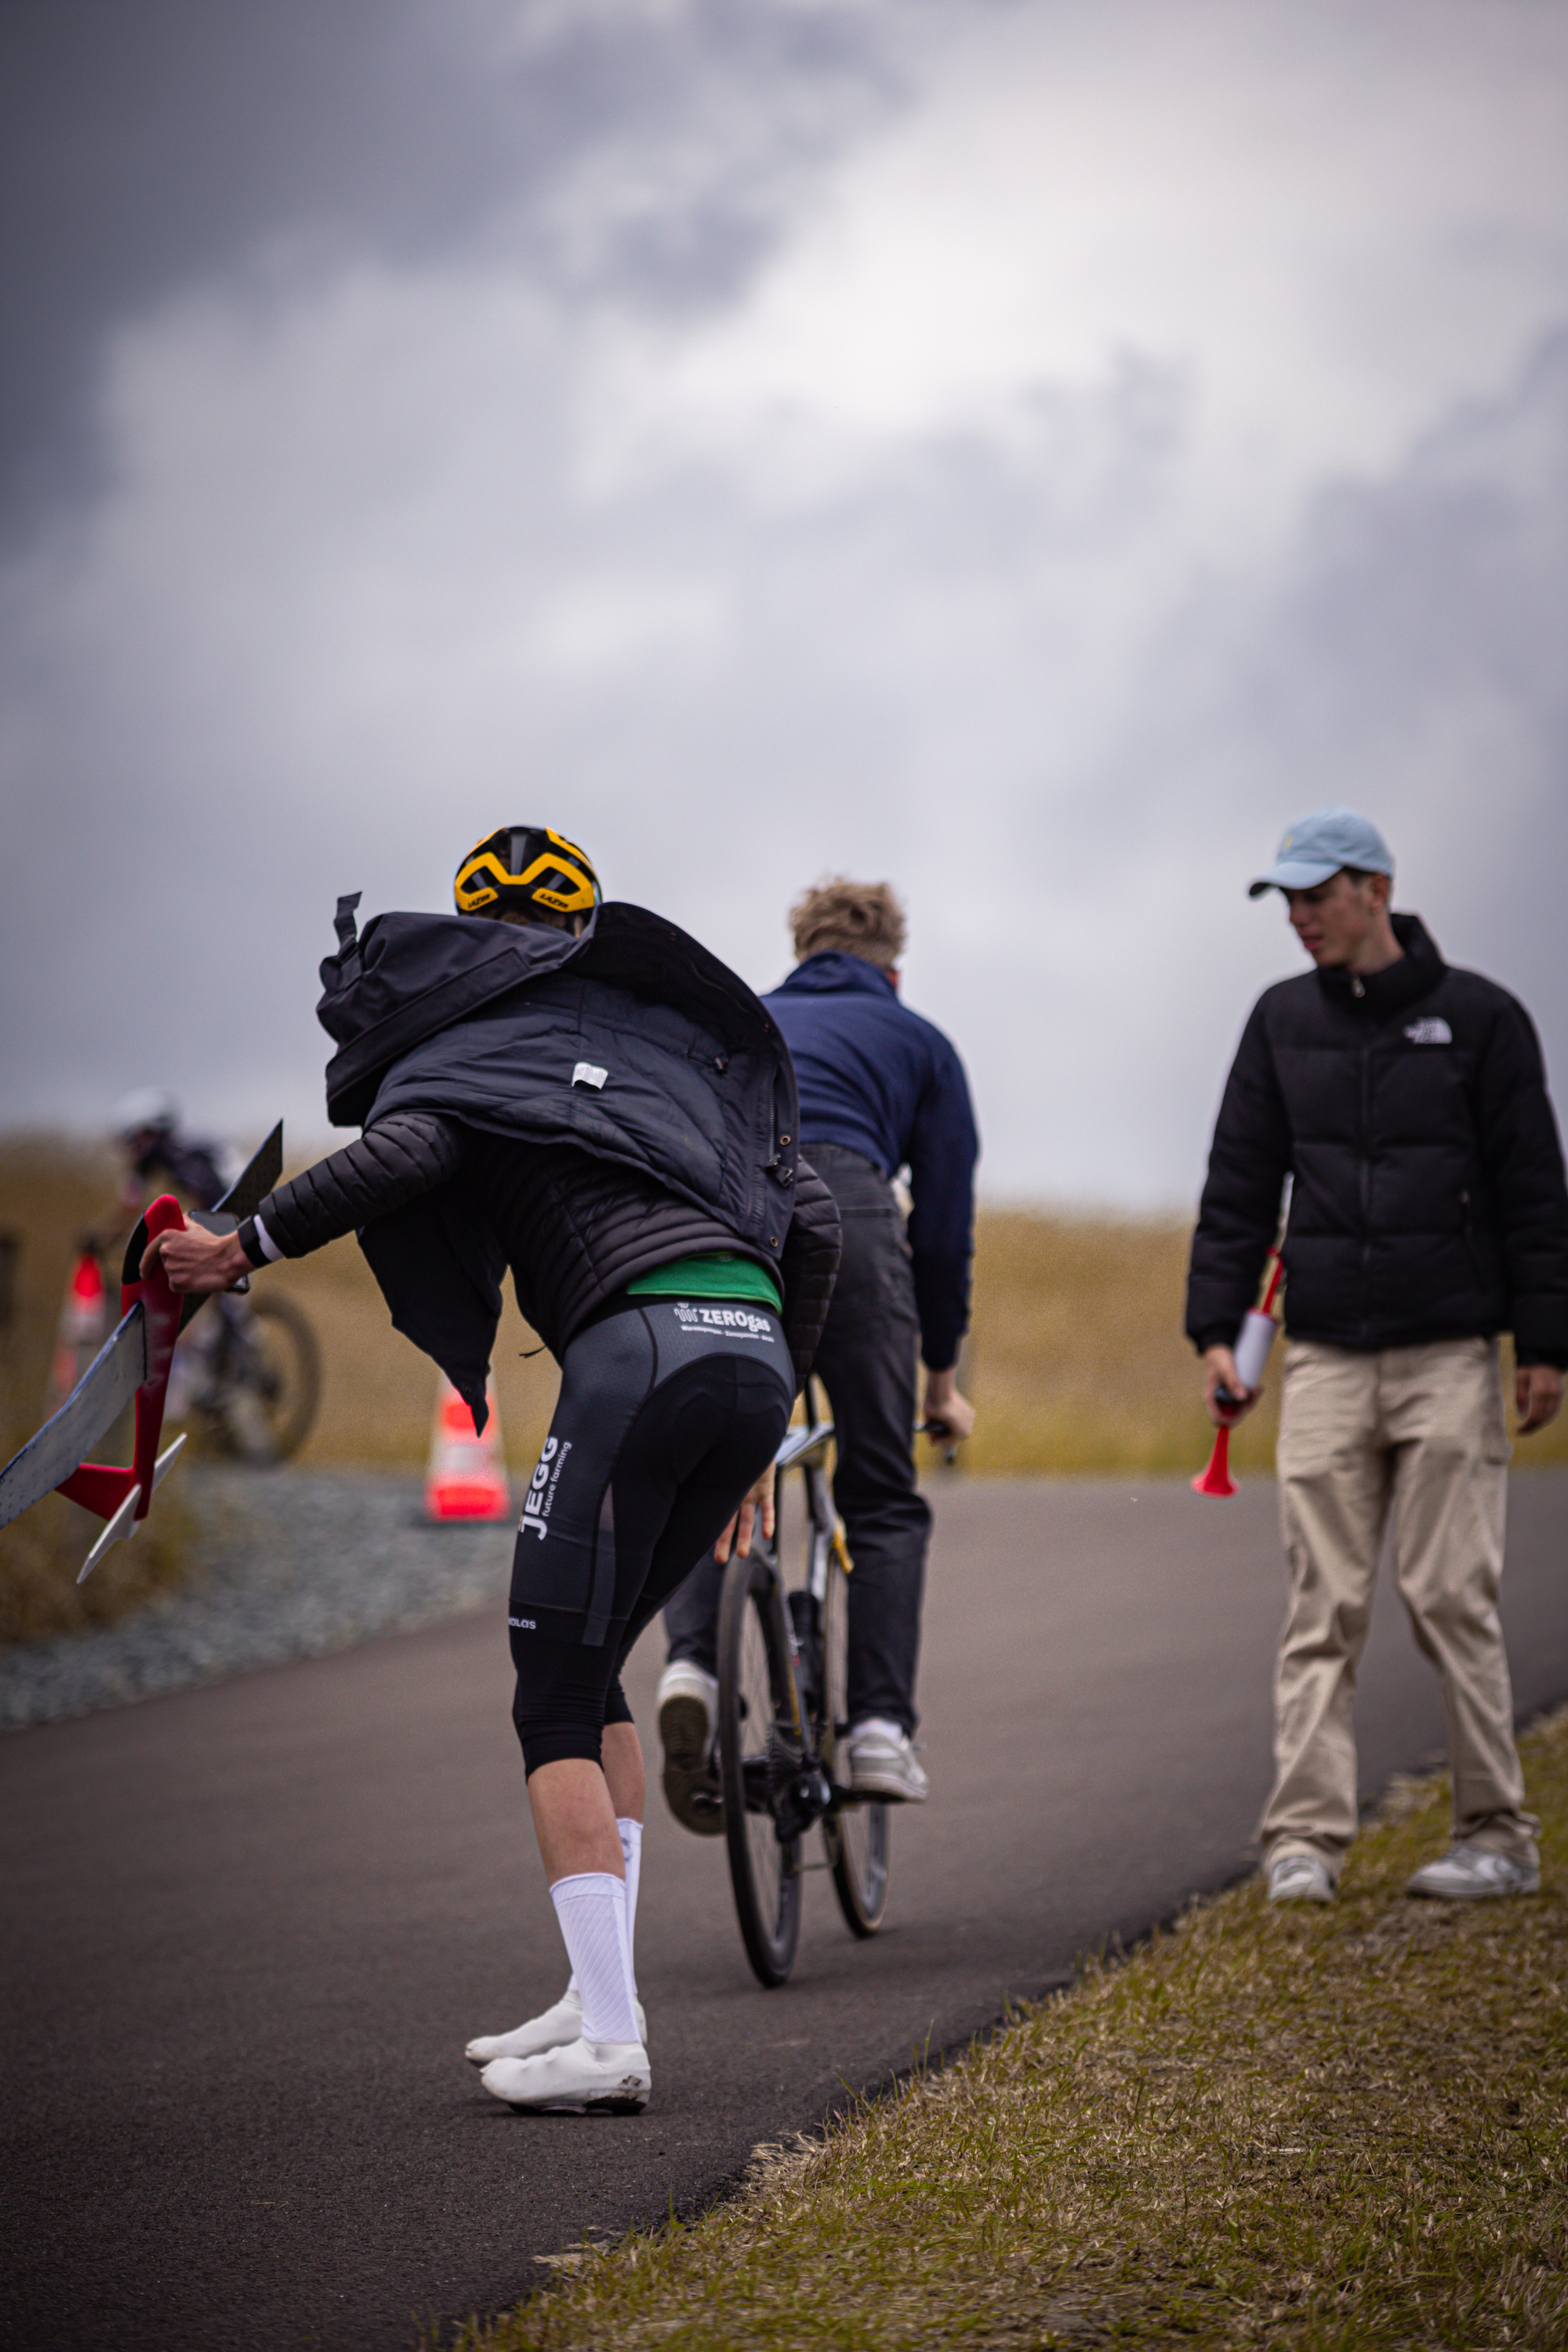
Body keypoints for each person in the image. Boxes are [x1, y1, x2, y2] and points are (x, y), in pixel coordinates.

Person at [146, 824, 840, 2114]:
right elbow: (818, 1218)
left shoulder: (474, 1040)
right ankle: (598, 1996)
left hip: (637, 1357)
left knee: (549, 1702)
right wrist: (774, 1412)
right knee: (595, 1670)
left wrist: (239, 1250)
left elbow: (406, 1155)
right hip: (747, 1361)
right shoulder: (665, 1049)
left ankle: (616, 2041)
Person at [1185, 808, 1568, 1906]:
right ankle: (1303, 1840)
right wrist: (1219, 1330)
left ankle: (1497, 1834)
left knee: (1453, 1595)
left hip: (1450, 1355)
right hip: (1325, 1360)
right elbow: (1239, 1185)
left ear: (1375, 891)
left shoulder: (1484, 1019)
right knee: (1323, 1606)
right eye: (1288, 900)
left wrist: (1544, 1341)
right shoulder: (1278, 1021)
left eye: (1316, 895)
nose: (1299, 917)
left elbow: (1535, 1190)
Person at [658, 877, 978, 1820]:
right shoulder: (920, 1043)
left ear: (800, 954)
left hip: (728, 1219)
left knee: (707, 1468)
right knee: (880, 1491)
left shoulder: (740, 1018)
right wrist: (941, 1381)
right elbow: (947, 1230)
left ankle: (692, 1670)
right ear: (893, 969)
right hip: (855, 1214)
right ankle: (879, 1731)